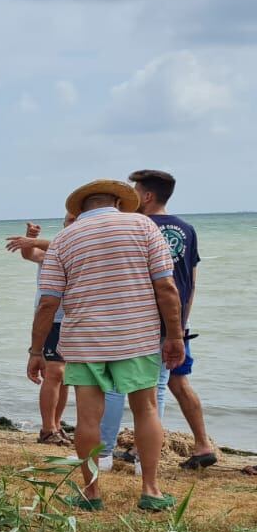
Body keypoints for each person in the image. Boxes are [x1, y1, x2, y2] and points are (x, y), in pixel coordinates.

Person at [30, 179, 184, 512]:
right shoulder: (143, 225)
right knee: (145, 409)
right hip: (137, 337)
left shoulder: (63, 239)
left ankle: (91, 494)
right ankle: (151, 491)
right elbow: (167, 287)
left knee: (88, 417)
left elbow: (48, 302)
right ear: (117, 201)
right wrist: (175, 335)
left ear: (80, 208)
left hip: (84, 341)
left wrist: (35, 351)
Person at [129, 169, 215, 469]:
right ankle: (203, 444)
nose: (132, 197)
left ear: (147, 196)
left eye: (135, 192)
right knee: (178, 381)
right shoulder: (187, 229)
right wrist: (180, 326)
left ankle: (144, 453)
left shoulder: (138, 226)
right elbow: (191, 280)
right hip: (177, 321)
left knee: (151, 390)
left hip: (147, 321)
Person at [6, 216, 77, 446]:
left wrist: (31, 240)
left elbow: (58, 245)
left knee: (64, 377)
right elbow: (31, 254)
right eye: (68, 220)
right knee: (54, 373)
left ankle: (57, 425)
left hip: (74, 319)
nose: (71, 222)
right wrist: (32, 240)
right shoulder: (53, 252)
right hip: (51, 319)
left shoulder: (72, 248)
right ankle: (47, 429)